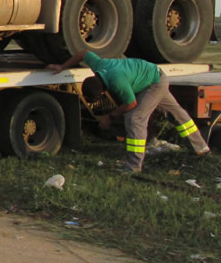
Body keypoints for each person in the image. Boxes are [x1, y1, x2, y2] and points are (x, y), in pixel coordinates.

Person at [48, 50, 210, 173]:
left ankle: (133, 166)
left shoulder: (117, 82)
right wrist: (63, 67)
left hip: (153, 83)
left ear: (103, 92)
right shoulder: (99, 65)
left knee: (135, 118)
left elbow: (131, 104)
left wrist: (109, 117)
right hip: (151, 74)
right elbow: (84, 53)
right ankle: (200, 148)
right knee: (176, 114)